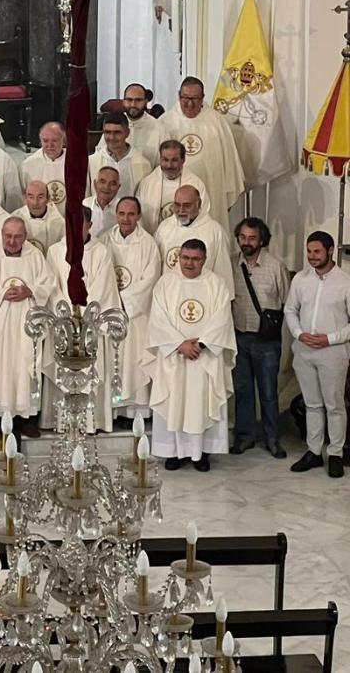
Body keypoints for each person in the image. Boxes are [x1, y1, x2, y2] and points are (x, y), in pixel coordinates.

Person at [147, 239, 235, 472]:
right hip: (175, 356)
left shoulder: (217, 284)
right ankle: (174, 452)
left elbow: (222, 318)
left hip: (204, 357)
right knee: (174, 401)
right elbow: (157, 319)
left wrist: (202, 344)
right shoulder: (165, 284)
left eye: (195, 259)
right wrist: (180, 344)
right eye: (185, 257)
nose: (189, 263)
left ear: (204, 259)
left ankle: (201, 452)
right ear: (179, 257)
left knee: (201, 403)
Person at [45, 207, 122, 432]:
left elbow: (104, 286)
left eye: (81, 223)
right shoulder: (55, 251)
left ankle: (91, 423)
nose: (76, 229)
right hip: (64, 325)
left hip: (91, 326)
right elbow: (53, 286)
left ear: (89, 225)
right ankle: (63, 422)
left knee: (92, 372)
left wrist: (84, 315)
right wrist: (68, 314)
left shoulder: (101, 252)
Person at [0, 217, 55, 424]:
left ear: (25, 237)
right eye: (8, 236)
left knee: (25, 365)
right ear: (1, 235)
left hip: (26, 325)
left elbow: (48, 285)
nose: (12, 241)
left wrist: (30, 290)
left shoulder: (35, 256)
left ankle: (24, 418)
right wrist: (1, 293)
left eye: (17, 236)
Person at [286, 231, 350, 477]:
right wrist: (299, 333)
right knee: (312, 403)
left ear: (331, 250)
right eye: (309, 251)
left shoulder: (345, 281)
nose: (312, 257)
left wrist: (329, 338)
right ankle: (313, 451)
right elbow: (290, 309)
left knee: (334, 405)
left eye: (317, 252)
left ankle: (335, 452)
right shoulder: (301, 280)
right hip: (304, 350)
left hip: (332, 352)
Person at [230, 217, 289, 457]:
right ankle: (245, 437)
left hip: (266, 341)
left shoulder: (276, 266)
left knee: (268, 391)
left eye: (252, 238)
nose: (246, 242)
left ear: (262, 239)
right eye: (242, 237)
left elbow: (288, 301)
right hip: (239, 336)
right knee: (242, 391)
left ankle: (272, 438)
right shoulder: (232, 264)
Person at [102, 196, 160, 421]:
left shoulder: (148, 243)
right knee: (114, 362)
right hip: (111, 314)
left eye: (131, 214)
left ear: (138, 216)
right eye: (122, 214)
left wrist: (124, 301)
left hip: (136, 316)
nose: (126, 219)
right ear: (116, 215)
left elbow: (150, 278)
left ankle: (136, 412)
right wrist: (112, 304)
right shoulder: (104, 240)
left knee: (135, 362)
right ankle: (114, 411)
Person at [158, 76, 246, 215]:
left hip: (212, 192)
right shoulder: (165, 123)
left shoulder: (216, 123)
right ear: (178, 96)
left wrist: (227, 197)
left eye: (195, 99)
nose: (190, 104)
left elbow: (230, 165)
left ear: (203, 98)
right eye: (185, 98)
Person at [154, 185, 233, 291]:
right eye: (177, 205)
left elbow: (223, 271)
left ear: (199, 204)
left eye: (187, 205)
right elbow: (156, 267)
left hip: (203, 295)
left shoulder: (214, 231)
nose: (181, 210)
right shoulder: (164, 228)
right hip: (170, 294)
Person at [136, 139, 211, 233]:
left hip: (187, 239)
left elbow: (202, 217)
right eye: (165, 160)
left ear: (183, 160)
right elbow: (139, 219)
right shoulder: (147, 184)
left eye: (174, 160)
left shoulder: (195, 184)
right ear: (160, 159)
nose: (169, 165)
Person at [89, 111, 152, 198]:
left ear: (127, 133)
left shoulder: (143, 164)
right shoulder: (92, 161)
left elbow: (144, 198)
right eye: (107, 132)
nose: (111, 137)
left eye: (117, 132)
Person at [21, 122, 68, 207]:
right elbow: (23, 196)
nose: (50, 145)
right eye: (45, 141)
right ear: (40, 141)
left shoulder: (76, 162)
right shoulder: (28, 165)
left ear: (63, 140)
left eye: (55, 140)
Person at [11, 180, 63, 252]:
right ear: (25, 198)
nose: (35, 203)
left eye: (40, 197)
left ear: (48, 198)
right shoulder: (15, 218)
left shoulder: (59, 222)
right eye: (31, 197)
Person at [123, 82, 163, 165]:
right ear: (124, 101)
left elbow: (164, 163)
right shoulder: (115, 125)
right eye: (129, 100)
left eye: (138, 100)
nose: (133, 105)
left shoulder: (159, 128)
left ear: (146, 102)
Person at [84, 166, 121, 238]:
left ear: (118, 187)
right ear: (95, 184)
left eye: (112, 184)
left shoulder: (123, 209)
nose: (107, 187)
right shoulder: (84, 204)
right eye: (103, 182)